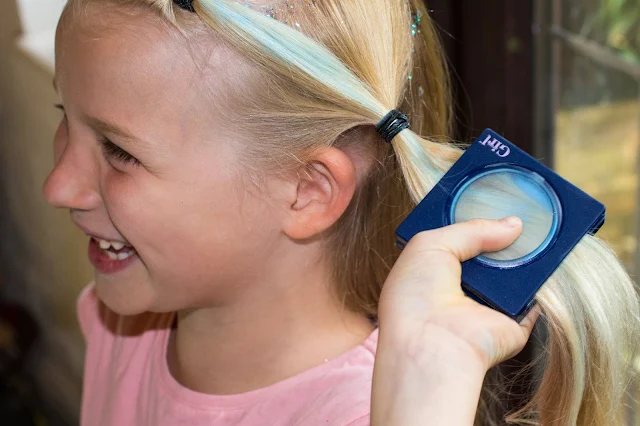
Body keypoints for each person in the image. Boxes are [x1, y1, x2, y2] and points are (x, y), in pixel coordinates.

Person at [43, 0, 639, 424]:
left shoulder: (367, 413)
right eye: (64, 115)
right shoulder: (118, 322)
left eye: (119, 152)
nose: (58, 186)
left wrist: (421, 400)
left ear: (308, 191)